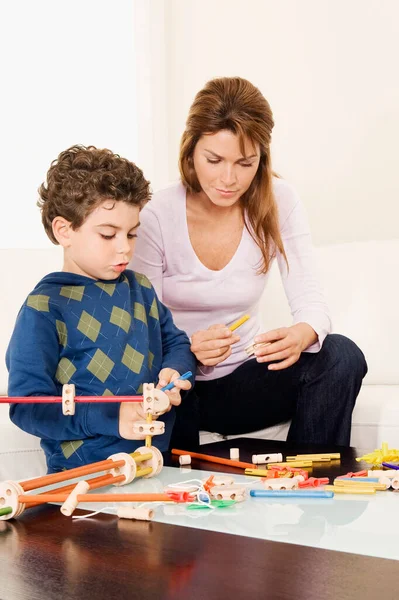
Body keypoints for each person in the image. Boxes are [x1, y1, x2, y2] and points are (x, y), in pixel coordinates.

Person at [131, 76, 368, 449]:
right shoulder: (156, 214)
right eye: (214, 160)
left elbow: (313, 304)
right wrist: (188, 348)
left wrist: (301, 334)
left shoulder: (280, 200)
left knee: (341, 355)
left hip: (243, 381)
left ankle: (312, 488)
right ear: (190, 151)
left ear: (262, 157)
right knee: (161, 387)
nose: (229, 179)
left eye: (245, 163)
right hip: (177, 383)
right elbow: (141, 328)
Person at [6, 145, 196, 472]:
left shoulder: (141, 289)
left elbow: (177, 343)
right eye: (108, 234)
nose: (125, 247)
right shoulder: (44, 308)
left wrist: (174, 371)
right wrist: (109, 417)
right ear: (64, 230)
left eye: (133, 234)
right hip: (81, 479)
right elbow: (27, 407)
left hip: (154, 467)